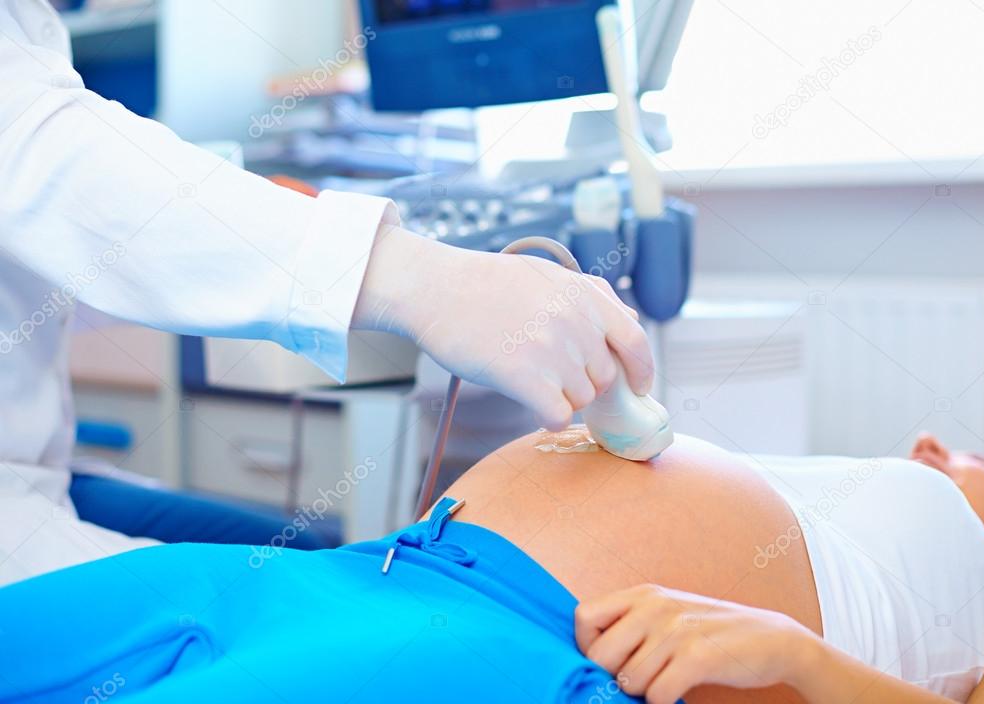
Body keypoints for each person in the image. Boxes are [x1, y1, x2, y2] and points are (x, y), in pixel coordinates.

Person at [0, 0, 652, 584]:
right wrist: (414, 277)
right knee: (310, 603)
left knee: (308, 556)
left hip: (35, 474)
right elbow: (45, 153)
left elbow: (38, 256)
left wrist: (284, 235)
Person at [1, 428, 984, 703]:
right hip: (371, 570)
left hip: (517, 643)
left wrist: (796, 656)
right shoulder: (832, 478)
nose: (934, 443)